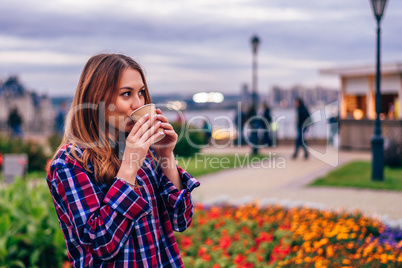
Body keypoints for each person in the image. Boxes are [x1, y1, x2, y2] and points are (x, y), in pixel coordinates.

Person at [46, 53, 200, 267]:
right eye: (126, 94)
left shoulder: (146, 153)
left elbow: (181, 219)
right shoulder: (70, 162)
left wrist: (166, 155)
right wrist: (130, 165)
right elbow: (102, 243)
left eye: (142, 93)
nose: (138, 104)